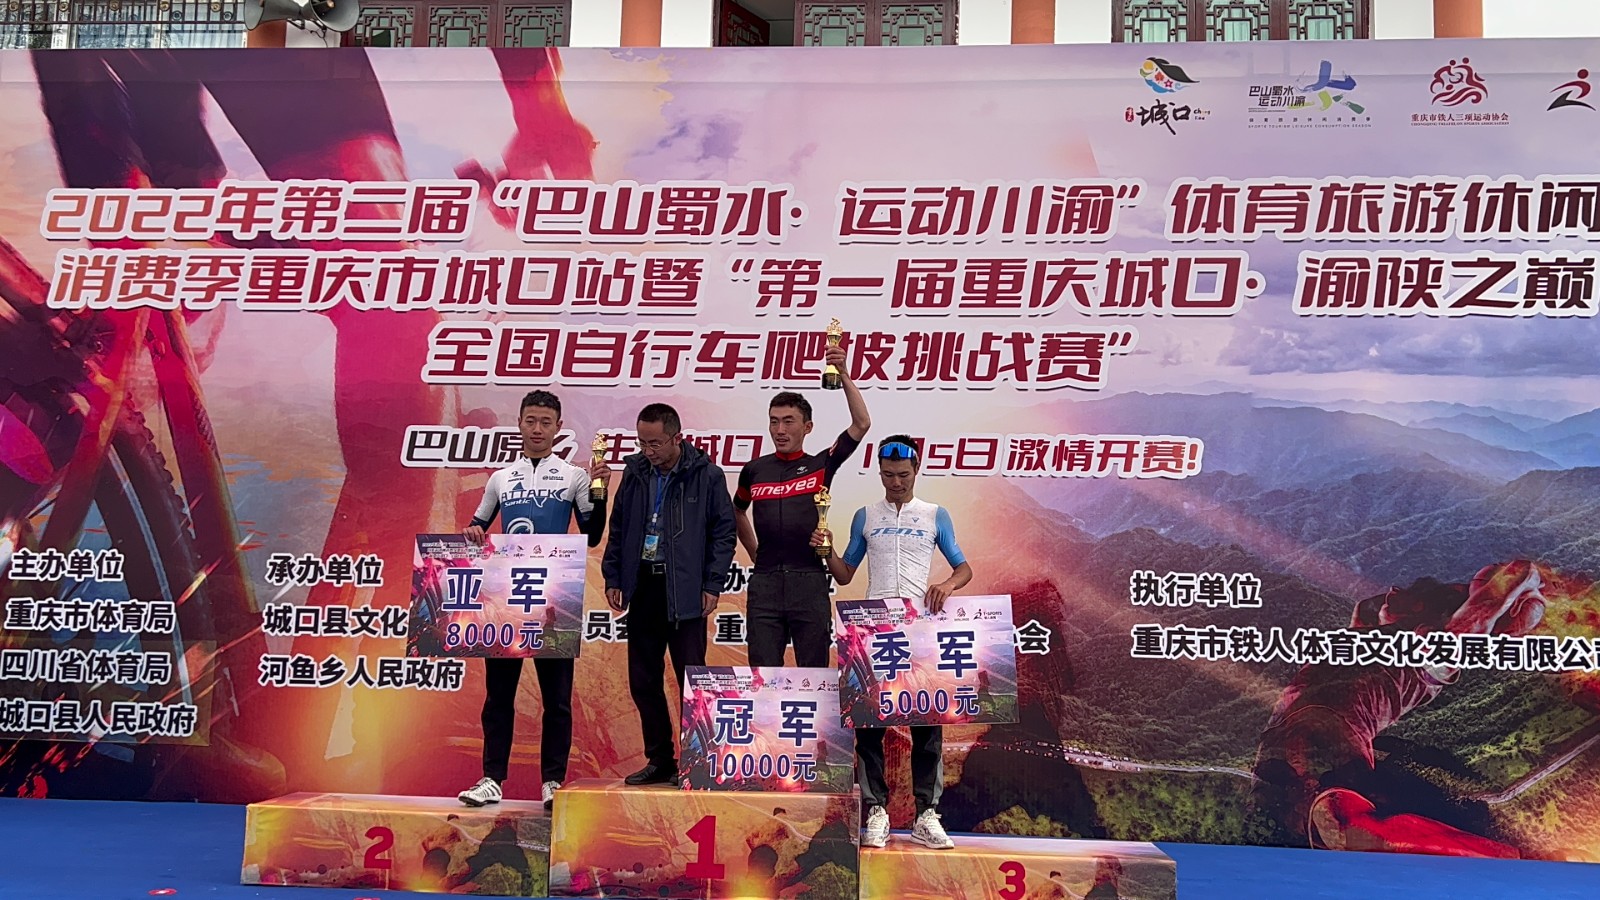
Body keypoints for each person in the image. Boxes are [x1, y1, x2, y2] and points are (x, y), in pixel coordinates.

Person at [1251, 560, 1549, 857]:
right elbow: (1367, 606)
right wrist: (1451, 594)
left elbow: (1500, 591)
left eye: (1409, 591)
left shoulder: (1433, 651)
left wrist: (1525, 584)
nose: (1393, 590)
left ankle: (1511, 858)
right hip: (1288, 730)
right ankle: (1507, 858)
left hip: (1329, 730)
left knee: (1343, 827)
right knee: (1296, 822)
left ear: (1422, 609)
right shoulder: (1370, 634)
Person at [813, 435, 972, 850]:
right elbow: (845, 573)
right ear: (879, 472)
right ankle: (876, 811)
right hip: (875, 631)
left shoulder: (935, 515)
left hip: (920, 631)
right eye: (887, 475)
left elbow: (963, 568)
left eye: (903, 475)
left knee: (927, 726)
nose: (896, 483)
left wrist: (947, 584)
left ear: (916, 469)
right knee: (870, 726)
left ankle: (926, 815)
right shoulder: (866, 516)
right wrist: (826, 550)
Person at [456, 390, 610, 810]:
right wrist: (473, 533)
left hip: (554, 596)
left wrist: (600, 491)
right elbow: (476, 526)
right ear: (520, 423)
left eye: (546, 422)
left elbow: (592, 534)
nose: (538, 429)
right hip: (508, 598)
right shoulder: (501, 478)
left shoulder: (574, 477)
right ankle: (491, 779)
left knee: (556, 699)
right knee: (499, 696)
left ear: (558, 427)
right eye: (531, 420)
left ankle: (553, 783)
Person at [603, 403, 738, 786]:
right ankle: (660, 758)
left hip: (685, 588)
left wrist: (712, 584)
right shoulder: (635, 472)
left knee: (692, 681)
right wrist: (614, 576)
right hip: (643, 585)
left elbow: (723, 533)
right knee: (643, 680)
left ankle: (698, 761)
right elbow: (619, 526)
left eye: (656, 443)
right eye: (642, 443)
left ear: (677, 438)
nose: (648, 451)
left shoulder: (706, 475)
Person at [735, 344, 871, 667]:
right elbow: (737, 509)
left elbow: (862, 424)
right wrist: (755, 552)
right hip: (765, 584)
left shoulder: (821, 465)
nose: (780, 430)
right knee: (763, 678)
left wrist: (844, 374)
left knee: (814, 678)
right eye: (774, 422)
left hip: (809, 581)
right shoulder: (754, 470)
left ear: (807, 427)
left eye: (789, 421)